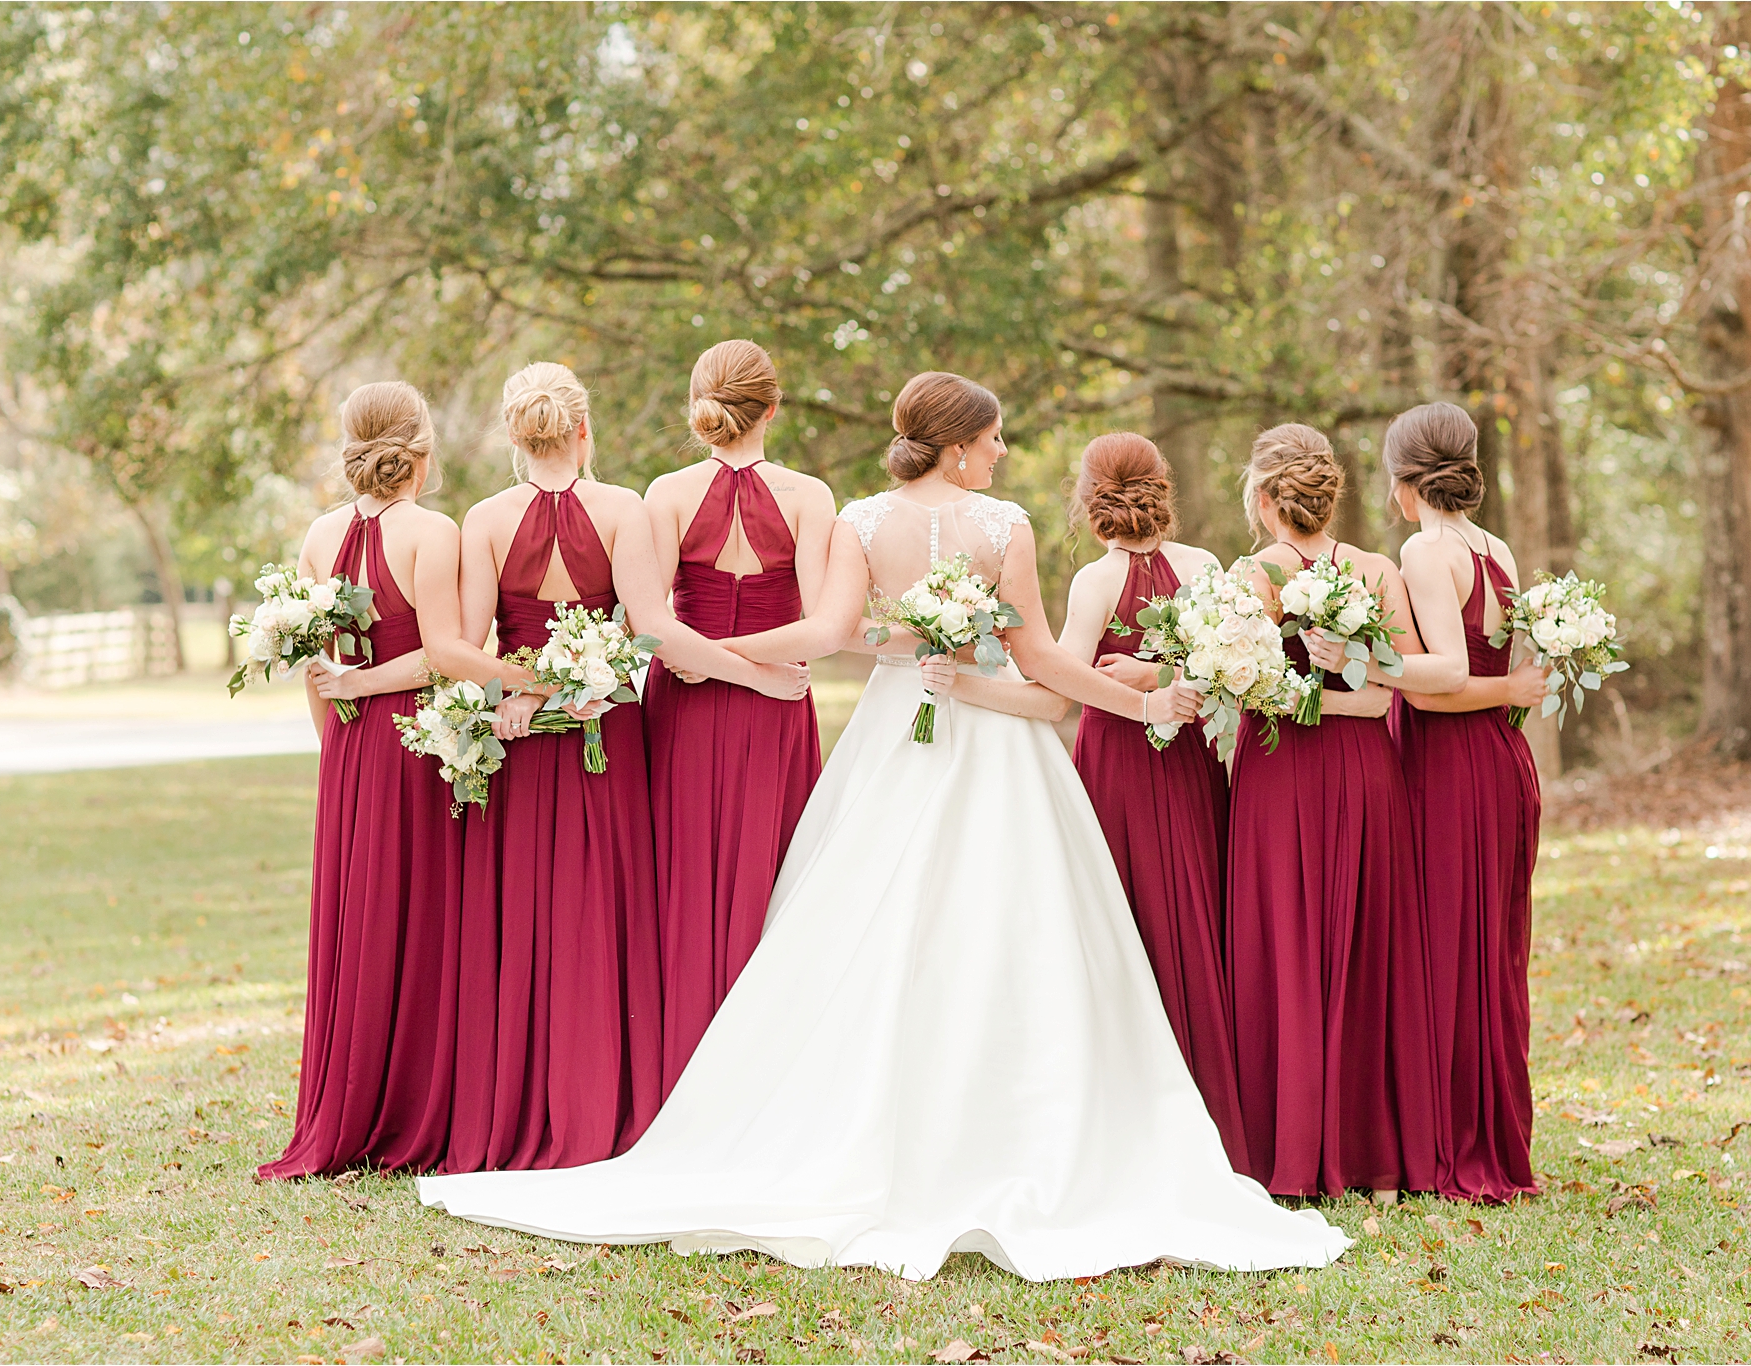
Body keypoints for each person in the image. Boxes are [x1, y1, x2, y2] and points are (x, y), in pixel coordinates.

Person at [417, 373, 1351, 1281]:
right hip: (984, 733)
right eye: (992, 440)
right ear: (955, 444)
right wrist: (1132, 704)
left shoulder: (862, 517)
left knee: (878, 912)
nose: (1002, 454)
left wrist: (750, 651)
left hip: (899, 726)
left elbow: (842, 632)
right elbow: (1036, 659)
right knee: (1010, 921)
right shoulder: (1003, 526)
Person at [432, 363, 808, 1174]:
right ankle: (619, 1107)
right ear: (583, 430)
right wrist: (758, 675)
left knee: (529, 920)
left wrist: (524, 685)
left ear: (512, 434)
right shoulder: (624, 509)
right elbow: (652, 632)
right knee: (610, 918)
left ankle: (528, 1107)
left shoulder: (485, 518)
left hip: (524, 740)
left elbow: (461, 650)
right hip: (610, 738)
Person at [1225, 423, 1456, 1201]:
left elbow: (1245, 687)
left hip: (1279, 772)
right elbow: (1392, 687)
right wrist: (1347, 691)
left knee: (1285, 947)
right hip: (1366, 774)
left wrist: (1305, 695)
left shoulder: (1253, 571)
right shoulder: (1375, 566)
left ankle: (1285, 1156)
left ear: (1264, 498)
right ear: (1329, 494)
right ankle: (1376, 1162)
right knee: (1366, 951)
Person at [260, 381, 476, 1178]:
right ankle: (417, 1109)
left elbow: (312, 662)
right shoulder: (433, 530)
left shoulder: (321, 533)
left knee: (364, 920)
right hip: (414, 737)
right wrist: (366, 692)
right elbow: (444, 653)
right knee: (417, 918)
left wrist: (337, 736)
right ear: (422, 447)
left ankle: (350, 1106)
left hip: (349, 749)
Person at [641, 340, 833, 1095]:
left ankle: (686, 1076)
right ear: (774, 408)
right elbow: (821, 626)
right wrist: (759, 675)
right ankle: (767, 1080)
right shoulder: (810, 496)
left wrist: (717, 660)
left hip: (689, 704)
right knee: (773, 883)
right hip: (776, 706)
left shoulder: (665, 493)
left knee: (685, 887)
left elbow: (653, 627)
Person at [1058, 432, 1248, 1171]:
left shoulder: (1095, 582)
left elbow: (1068, 679)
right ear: (1161, 486)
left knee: (1128, 912)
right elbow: (1231, 656)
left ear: (1089, 497)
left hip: (1127, 754)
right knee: (1189, 908)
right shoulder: (1204, 566)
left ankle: (1142, 1109)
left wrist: (1141, 673)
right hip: (1184, 752)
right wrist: (1166, 670)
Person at [1380, 401, 1549, 1203]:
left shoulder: (1426, 549)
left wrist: (1369, 666)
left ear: (1403, 480)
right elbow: (1505, 670)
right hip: (1505, 763)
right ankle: (1492, 1137)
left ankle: (1455, 1145)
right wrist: (1511, 690)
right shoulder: (1496, 547)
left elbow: (1443, 682)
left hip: (1449, 766)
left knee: (1448, 950)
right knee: (1490, 952)